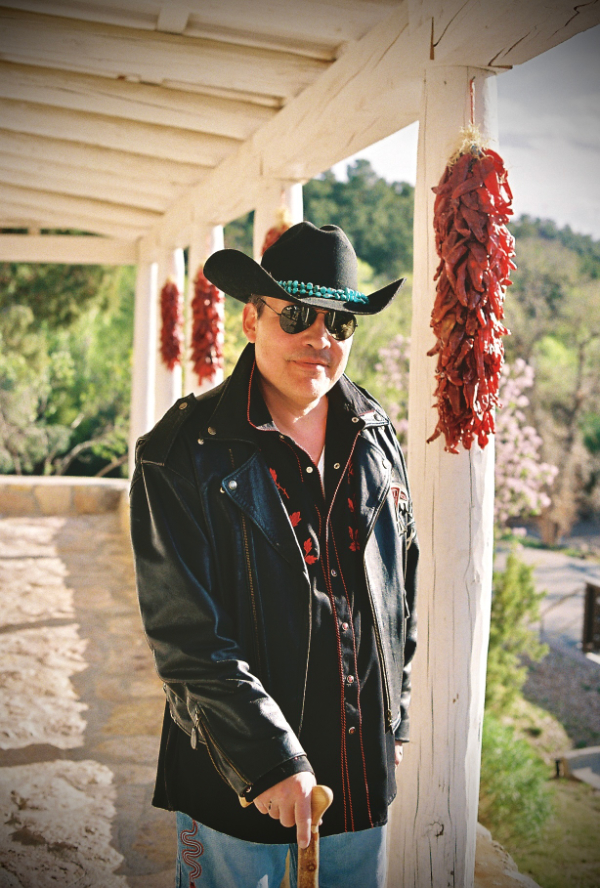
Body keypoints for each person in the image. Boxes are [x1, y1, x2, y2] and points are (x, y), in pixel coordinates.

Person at [130, 222, 418, 888]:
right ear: (252, 317)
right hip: (236, 780)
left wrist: (393, 717)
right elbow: (184, 637)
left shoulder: (377, 436)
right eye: (297, 315)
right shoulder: (177, 453)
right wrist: (269, 761)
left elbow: (404, 586)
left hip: (357, 781)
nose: (320, 337)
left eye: (340, 323)